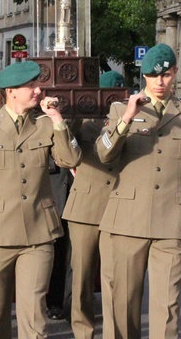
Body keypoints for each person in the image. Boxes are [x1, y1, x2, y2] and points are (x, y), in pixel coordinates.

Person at [96, 43, 181, 339]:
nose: (160, 82)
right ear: (144, 76)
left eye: (166, 75)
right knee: (122, 306)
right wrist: (127, 118)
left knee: (167, 307)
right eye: (154, 76)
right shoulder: (120, 110)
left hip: (169, 224)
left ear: (175, 73)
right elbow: (103, 154)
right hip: (126, 223)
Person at [0, 60, 82, 338]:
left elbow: (71, 159)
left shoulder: (46, 124)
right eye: (31, 86)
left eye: (38, 84)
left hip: (38, 234)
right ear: (11, 91)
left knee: (34, 313)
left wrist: (58, 120)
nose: (38, 90)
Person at [61, 71, 125, 339]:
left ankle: (114, 331)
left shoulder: (129, 120)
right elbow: (67, 149)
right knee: (82, 275)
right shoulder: (83, 121)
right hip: (85, 208)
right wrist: (73, 111)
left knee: (115, 279)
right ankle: (82, 330)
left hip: (119, 206)